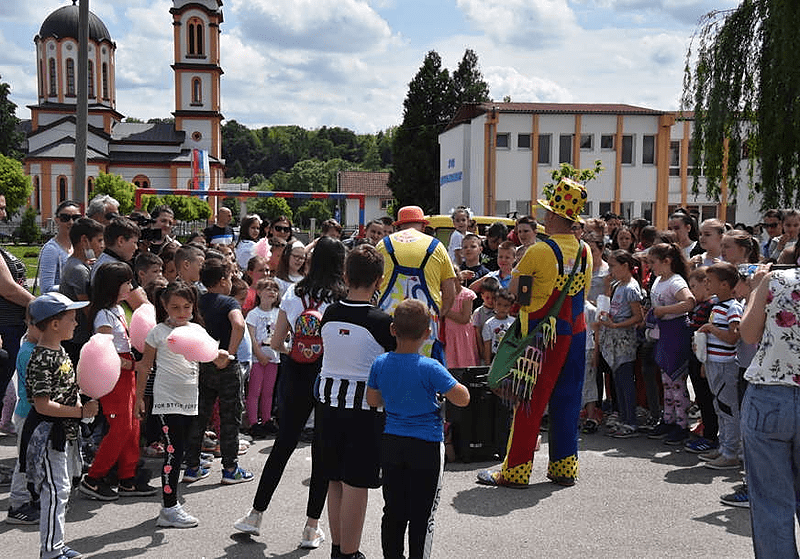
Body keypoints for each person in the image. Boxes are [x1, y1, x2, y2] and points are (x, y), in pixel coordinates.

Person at [477, 178, 592, 488]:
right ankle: (564, 467)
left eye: (546, 212)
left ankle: (515, 470)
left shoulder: (539, 251)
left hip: (543, 337)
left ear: (554, 216)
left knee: (529, 403)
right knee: (568, 402)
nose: (544, 217)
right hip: (577, 333)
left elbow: (514, 295)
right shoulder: (585, 251)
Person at [234, 236, 347, 546]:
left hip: (295, 374)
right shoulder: (342, 297)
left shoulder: (295, 292)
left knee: (283, 444)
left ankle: (256, 514)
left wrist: (296, 349)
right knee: (322, 451)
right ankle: (311, 527)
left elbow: (275, 343)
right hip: (328, 376)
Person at [367, 299, 470, 559]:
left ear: (393, 330)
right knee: (423, 514)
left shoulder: (380, 363)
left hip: (392, 441)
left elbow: (373, 400)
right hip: (425, 444)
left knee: (393, 509)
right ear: (427, 333)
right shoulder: (430, 367)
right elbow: (463, 397)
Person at [315, 244, 394, 559]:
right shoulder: (381, 320)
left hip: (327, 404)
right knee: (357, 484)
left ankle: (338, 547)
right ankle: (350, 551)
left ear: (345, 275)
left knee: (334, 480)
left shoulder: (330, 312)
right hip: (364, 411)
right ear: (380, 279)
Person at [135, 280, 227, 528]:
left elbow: (214, 357)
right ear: (164, 305)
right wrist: (138, 400)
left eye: (187, 307)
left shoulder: (196, 330)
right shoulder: (158, 333)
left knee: (182, 451)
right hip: (167, 401)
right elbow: (145, 366)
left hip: (190, 399)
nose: (182, 312)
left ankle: (170, 504)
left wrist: (223, 355)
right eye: (175, 307)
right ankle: (169, 507)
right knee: (173, 453)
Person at [22, 292, 99, 559]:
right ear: (54, 324)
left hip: (63, 432)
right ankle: (51, 552)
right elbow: (43, 405)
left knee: (62, 489)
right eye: (71, 318)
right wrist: (80, 412)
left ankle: (55, 544)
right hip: (47, 433)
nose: (76, 323)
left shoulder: (60, 351)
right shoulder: (44, 358)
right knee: (55, 491)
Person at [738, 246, 800, 557]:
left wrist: (757, 287)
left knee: (771, 502)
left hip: (771, 393)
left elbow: (748, 334)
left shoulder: (777, 280)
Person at [80, 262, 157, 500]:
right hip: (115, 375)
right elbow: (105, 352)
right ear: (113, 286)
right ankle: (93, 478)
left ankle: (127, 478)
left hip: (127, 373)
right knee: (121, 428)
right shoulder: (102, 314)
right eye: (126, 283)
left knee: (133, 427)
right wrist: (136, 365)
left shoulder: (119, 310)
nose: (130, 287)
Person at [184, 258, 252, 484]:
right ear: (223, 281)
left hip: (202, 363)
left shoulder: (196, 301)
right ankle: (230, 469)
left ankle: (192, 466)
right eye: (231, 277)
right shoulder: (229, 303)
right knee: (229, 416)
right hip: (225, 365)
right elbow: (239, 324)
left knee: (199, 416)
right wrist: (229, 353)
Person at [376, 206, 457, 364]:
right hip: (426, 323)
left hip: (390, 321)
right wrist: (438, 315)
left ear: (398, 226)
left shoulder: (383, 245)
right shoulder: (436, 246)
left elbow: (372, 285)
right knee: (425, 373)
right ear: (423, 226)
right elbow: (450, 292)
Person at [646, 243, 696, 445]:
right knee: (666, 382)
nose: (650, 266)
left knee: (676, 381)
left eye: (653, 262)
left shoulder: (676, 281)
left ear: (667, 261)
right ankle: (668, 419)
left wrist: (665, 311)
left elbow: (689, 302)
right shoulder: (659, 279)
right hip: (663, 333)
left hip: (675, 332)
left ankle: (682, 425)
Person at [697, 262, 743, 469]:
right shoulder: (716, 304)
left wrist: (711, 329)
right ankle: (724, 447)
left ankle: (731, 453)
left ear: (724, 285)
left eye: (710, 281)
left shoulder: (733, 307)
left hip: (726, 366)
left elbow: (733, 337)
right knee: (719, 407)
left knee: (728, 409)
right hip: (714, 363)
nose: (706, 283)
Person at [597, 250, 643, 438]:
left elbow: (638, 316)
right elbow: (608, 303)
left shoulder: (631, 288)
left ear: (625, 266)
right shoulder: (617, 284)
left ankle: (630, 421)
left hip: (624, 340)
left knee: (625, 381)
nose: (611, 270)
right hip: (613, 339)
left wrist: (616, 324)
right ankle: (623, 418)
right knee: (618, 381)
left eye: (614, 266)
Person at [5, 312, 40, 525]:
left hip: (34, 414)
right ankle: (17, 505)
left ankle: (31, 496)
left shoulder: (34, 347)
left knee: (34, 459)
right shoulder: (29, 351)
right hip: (28, 415)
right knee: (26, 461)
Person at [683, 267, 719, 455]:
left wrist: (705, 362)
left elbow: (708, 337)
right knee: (703, 399)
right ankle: (707, 432)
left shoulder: (711, 306)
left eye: (694, 286)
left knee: (707, 399)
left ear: (706, 285)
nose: (692, 291)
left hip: (704, 360)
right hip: (695, 357)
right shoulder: (699, 305)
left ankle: (712, 437)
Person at [59, 217, 104, 364]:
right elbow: (87, 309)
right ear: (84, 240)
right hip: (78, 340)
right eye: (99, 240)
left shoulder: (78, 264)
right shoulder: (78, 270)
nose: (102, 246)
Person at [244, 278, 281, 436]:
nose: (272, 292)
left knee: (268, 391)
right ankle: (253, 422)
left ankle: (266, 419)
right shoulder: (254, 314)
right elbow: (251, 337)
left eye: (274, 289)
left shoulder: (278, 313)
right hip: (257, 359)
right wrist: (259, 355)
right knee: (254, 392)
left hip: (273, 358)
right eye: (268, 289)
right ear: (259, 293)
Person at [38, 200, 81, 294]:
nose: (71, 222)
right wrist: (78, 286)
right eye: (65, 218)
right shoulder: (51, 249)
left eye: (76, 218)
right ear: (57, 220)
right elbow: (46, 289)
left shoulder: (79, 247)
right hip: (61, 306)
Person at [444, 274, 478, 368]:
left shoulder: (466, 295)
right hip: (448, 335)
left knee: (464, 361)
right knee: (450, 363)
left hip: (462, 335)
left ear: (458, 279)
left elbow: (465, 318)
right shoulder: (444, 294)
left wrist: (444, 311)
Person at [481, 288, 515, 363]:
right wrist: (487, 364)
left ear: (511, 306)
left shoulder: (513, 322)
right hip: (495, 358)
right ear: (494, 303)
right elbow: (487, 346)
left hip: (510, 357)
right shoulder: (489, 324)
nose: (502, 308)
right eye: (499, 304)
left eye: (506, 306)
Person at [472, 276, 499, 365]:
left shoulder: (501, 312)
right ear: (482, 296)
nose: (490, 301)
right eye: (487, 298)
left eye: (494, 298)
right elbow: (478, 334)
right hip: (484, 352)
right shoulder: (478, 313)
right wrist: (482, 351)